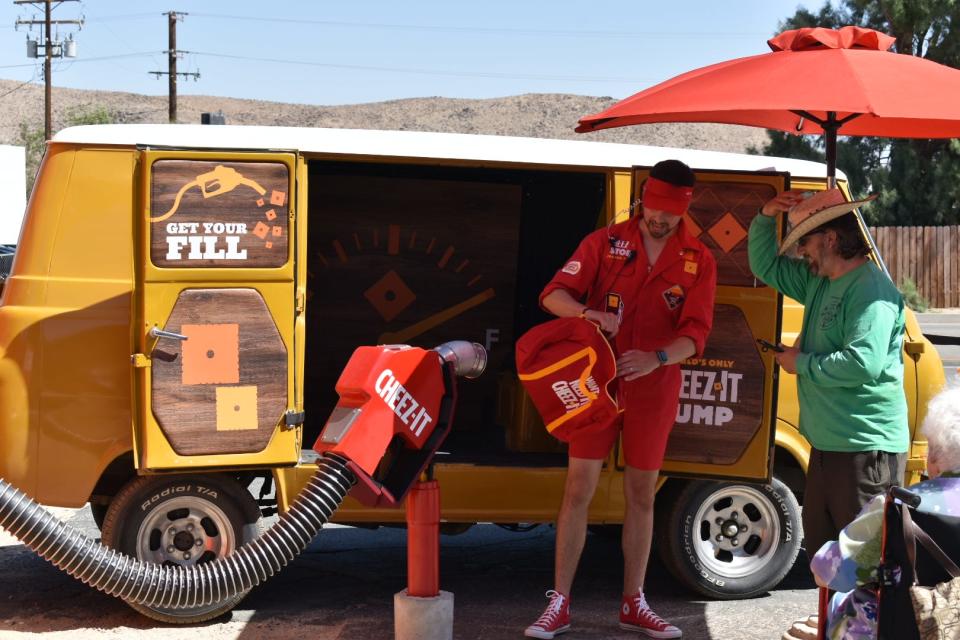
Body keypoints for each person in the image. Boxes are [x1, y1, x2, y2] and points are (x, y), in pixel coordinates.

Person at [525, 159, 717, 639]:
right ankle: (560, 604)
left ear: (684, 210)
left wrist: (656, 357)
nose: (660, 219)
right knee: (578, 490)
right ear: (643, 199)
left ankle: (634, 602)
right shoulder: (606, 242)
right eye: (655, 208)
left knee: (641, 497)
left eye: (671, 213)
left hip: (653, 387)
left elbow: (696, 335)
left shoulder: (699, 257)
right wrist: (589, 314)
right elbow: (553, 295)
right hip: (595, 384)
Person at [748, 189, 909, 640]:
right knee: (829, 555)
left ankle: (857, 631)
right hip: (830, 443)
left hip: (863, 446)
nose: (800, 251)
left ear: (832, 240)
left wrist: (802, 364)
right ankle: (833, 626)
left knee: (864, 564)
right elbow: (765, 266)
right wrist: (764, 216)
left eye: (805, 241)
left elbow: (865, 363)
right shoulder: (821, 280)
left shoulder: (872, 290)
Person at [810, 386, 960, 640]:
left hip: (911, 629)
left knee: (846, 604)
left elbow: (830, 573)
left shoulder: (897, 506)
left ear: (933, 455)